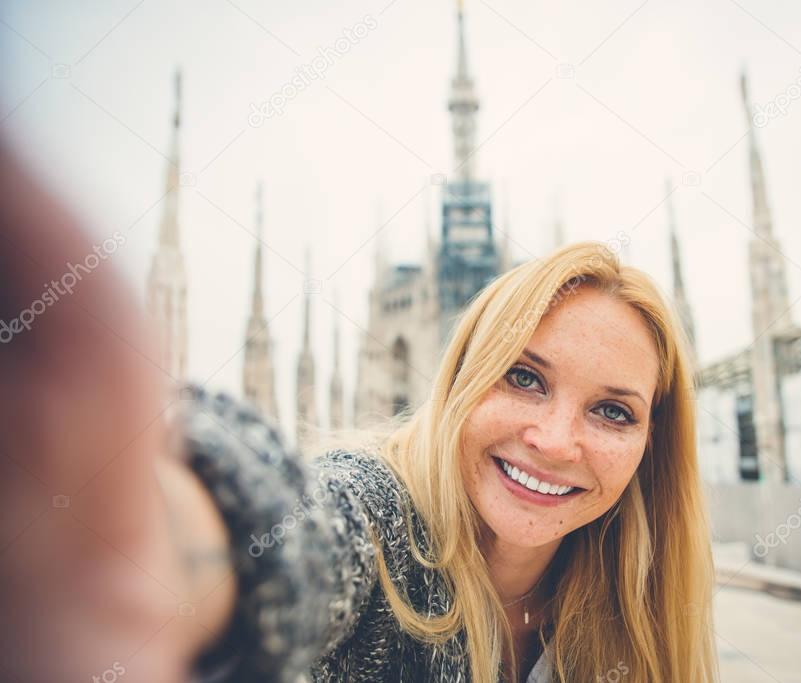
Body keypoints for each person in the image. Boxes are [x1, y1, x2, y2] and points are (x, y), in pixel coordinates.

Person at [0, 141, 720, 682]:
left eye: (613, 412)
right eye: (523, 376)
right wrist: (137, 550)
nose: (555, 439)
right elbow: (303, 533)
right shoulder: (378, 524)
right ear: (460, 378)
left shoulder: (631, 606)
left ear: (652, 444)